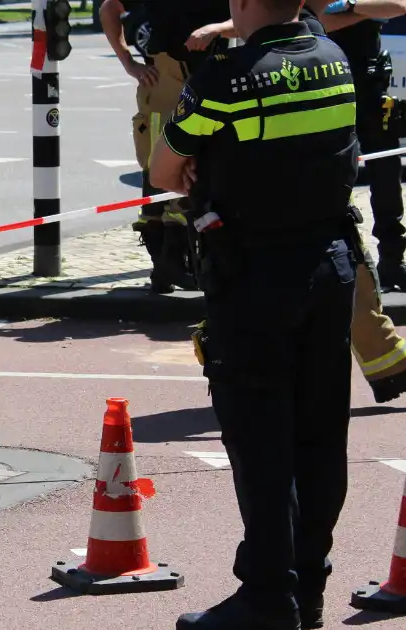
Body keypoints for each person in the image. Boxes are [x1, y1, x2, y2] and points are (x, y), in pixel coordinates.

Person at [149, 0, 360, 626]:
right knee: (321, 436)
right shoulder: (334, 58)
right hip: (331, 266)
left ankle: (269, 596)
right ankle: (309, 591)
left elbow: (164, 170)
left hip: (255, 276)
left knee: (260, 439)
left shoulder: (228, 78)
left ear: (240, 3)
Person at [198, 1, 406, 405]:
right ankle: (386, 364)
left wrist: (349, 8)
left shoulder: (307, 33)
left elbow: (395, 4)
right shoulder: (306, 31)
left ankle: (382, 355)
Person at [100, 0, 230, 293]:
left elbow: (252, 17)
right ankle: (169, 262)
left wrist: (218, 28)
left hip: (193, 78)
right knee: (171, 175)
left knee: (167, 176)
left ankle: (167, 266)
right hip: (170, 81)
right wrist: (128, 63)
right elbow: (108, 9)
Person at [309, 0, 406, 291]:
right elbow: (322, 21)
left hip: (371, 83)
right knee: (331, 173)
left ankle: (392, 260)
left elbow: (398, 5)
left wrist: (349, 6)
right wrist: (368, 8)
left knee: (386, 173)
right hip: (328, 82)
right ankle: (334, 259)